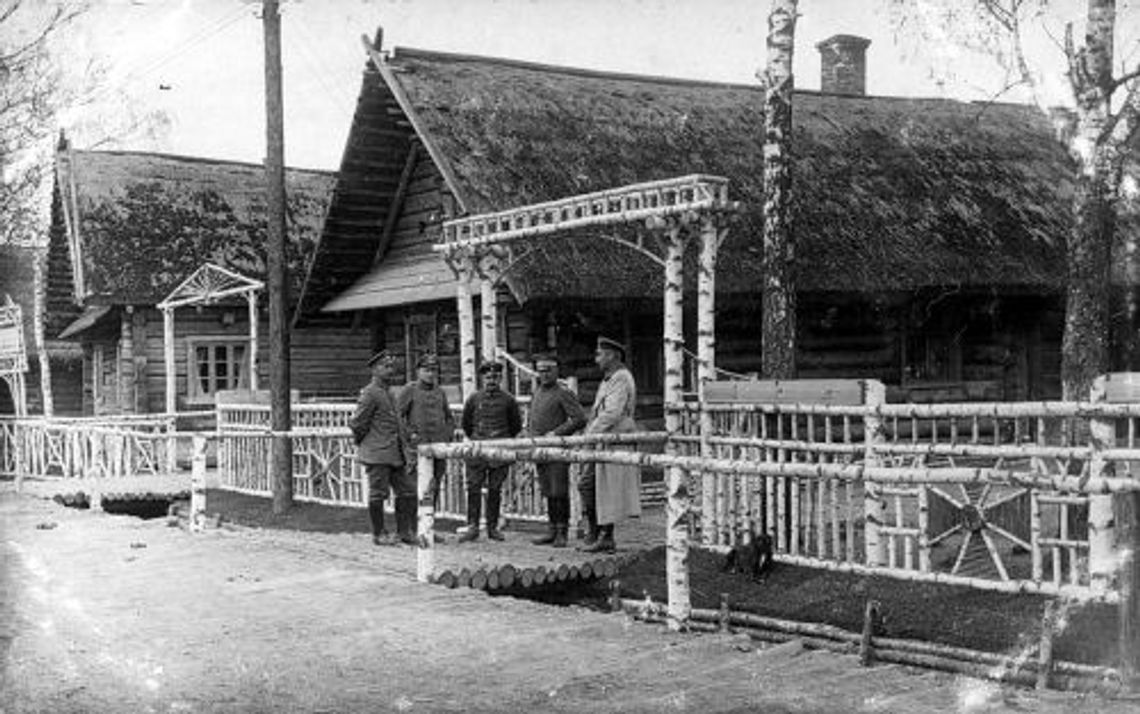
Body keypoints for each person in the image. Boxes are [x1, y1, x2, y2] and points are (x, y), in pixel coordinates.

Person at [580, 336, 641, 554]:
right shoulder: (608, 379)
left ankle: (605, 535)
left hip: (614, 439)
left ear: (612, 356)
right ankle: (595, 532)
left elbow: (612, 413)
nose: (596, 360)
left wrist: (589, 435)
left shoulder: (621, 378)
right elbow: (599, 412)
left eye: (599, 355)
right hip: (603, 440)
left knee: (606, 489)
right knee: (588, 484)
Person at [349, 350, 414, 546]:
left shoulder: (391, 392)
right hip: (378, 454)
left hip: (395, 453)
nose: (389, 370)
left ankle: (404, 532)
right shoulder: (370, 393)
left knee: (407, 492)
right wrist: (367, 444)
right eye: (385, 367)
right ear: (374, 370)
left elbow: (398, 422)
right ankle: (379, 533)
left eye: (391, 366)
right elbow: (357, 423)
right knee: (378, 493)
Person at [526, 353, 587, 548]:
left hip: (557, 450)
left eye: (548, 370)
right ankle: (551, 529)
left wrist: (556, 433)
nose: (543, 374)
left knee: (559, 490)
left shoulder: (563, 392)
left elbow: (579, 418)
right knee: (548, 490)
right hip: (539, 449)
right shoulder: (537, 393)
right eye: (540, 370)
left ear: (556, 371)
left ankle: (562, 531)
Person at [459, 361, 522, 542]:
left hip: (499, 451)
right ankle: (472, 526)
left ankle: (492, 527)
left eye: (495, 377)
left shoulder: (508, 400)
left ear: (500, 378)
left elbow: (515, 426)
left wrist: (501, 442)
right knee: (473, 487)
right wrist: (478, 440)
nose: (491, 381)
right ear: (482, 378)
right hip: (477, 451)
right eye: (488, 377)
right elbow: (466, 425)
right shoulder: (474, 399)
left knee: (495, 488)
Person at [397, 352, 456, 518]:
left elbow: (449, 417)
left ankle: (428, 525)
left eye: (434, 370)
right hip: (417, 450)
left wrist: (447, 436)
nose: (431, 374)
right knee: (415, 489)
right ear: (418, 371)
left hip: (438, 448)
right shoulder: (410, 390)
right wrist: (409, 436)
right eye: (427, 370)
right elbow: (398, 416)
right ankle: (410, 527)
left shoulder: (440, 392)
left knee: (433, 487)